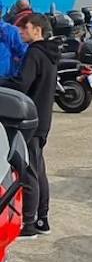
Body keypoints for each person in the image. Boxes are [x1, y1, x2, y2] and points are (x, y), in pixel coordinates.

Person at [4, 14, 58, 235]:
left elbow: (22, 84)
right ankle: (42, 218)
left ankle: (29, 223)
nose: (21, 32)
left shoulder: (35, 53)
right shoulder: (50, 52)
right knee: (38, 168)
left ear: (37, 30)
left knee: (29, 171)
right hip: (43, 118)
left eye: (25, 28)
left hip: (31, 119)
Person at [0, 11, 27, 80]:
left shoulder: (11, 30)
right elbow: (24, 53)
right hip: (6, 77)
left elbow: (24, 53)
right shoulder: (12, 30)